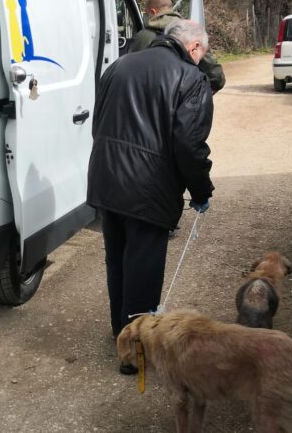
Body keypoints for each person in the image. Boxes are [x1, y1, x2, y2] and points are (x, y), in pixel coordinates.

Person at [87, 19, 214, 374]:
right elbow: (188, 144)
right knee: (143, 270)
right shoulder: (191, 79)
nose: (201, 60)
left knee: (118, 262)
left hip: (107, 180)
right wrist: (201, 190)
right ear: (192, 48)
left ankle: (122, 334)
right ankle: (136, 352)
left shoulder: (120, 65)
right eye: (202, 53)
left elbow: (98, 123)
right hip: (148, 190)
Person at [129, 0, 226, 94]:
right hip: (183, 100)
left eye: (147, 14)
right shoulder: (191, 33)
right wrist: (201, 97)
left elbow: (131, 74)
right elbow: (216, 77)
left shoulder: (142, 37)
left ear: (153, 12)